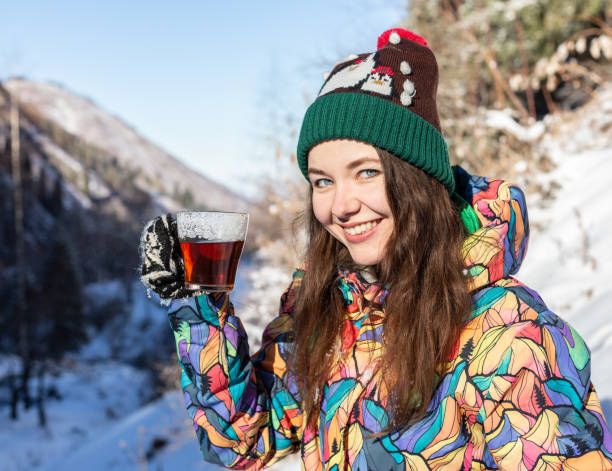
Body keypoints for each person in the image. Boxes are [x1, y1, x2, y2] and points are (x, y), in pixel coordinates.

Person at [140, 28, 612, 470]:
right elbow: (242, 440)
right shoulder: (328, 309)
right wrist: (199, 304)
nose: (341, 206)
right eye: (323, 181)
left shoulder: (508, 334)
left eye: (366, 171)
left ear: (417, 178)